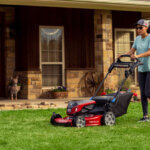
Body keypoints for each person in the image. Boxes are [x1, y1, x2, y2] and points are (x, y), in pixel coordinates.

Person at [123, 19, 150, 122]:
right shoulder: (137, 39)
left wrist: (138, 55)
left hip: (149, 68)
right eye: (137, 28)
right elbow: (132, 51)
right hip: (141, 68)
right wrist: (123, 55)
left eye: (140, 27)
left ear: (146, 28)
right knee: (143, 93)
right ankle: (145, 116)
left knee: (148, 92)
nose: (138, 30)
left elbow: (149, 52)